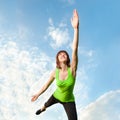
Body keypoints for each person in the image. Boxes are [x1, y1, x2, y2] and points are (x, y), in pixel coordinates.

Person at [31, 9, 79, 120]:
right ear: (57, 59)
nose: (63, 54)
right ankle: (42, 108)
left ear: (67, 58)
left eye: (64, 54)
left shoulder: (72, 69)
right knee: (46, 104)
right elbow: (45, 86)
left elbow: (75, 49)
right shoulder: (55, 72)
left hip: (69, 100)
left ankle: (44, 106)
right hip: (56, 96)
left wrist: (76, 29)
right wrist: (37, 95)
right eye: (60, 54)